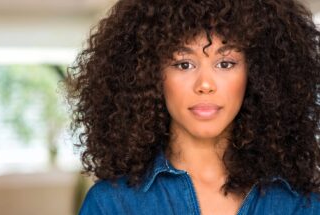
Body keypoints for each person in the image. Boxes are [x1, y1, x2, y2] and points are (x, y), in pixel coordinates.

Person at [66, 0, 320, 214]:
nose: (205, 84)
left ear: (259, 73)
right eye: (184, 64)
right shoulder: (113, 204)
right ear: (149, 75)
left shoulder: (301, 204)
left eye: (226, 63)